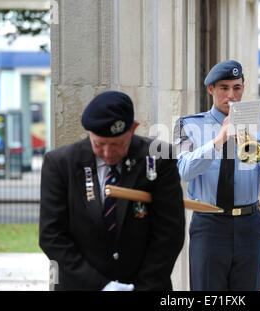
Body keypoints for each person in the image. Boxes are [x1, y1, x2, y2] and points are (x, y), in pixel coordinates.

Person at [39, 91, 185, 291]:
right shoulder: (60, 164)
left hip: (145, 285)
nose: (108, 153)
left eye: (117, 144)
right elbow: (51, 236)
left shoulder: (158, 159)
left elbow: (169, 233)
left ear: (132, 129)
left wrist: (141, 288)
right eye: (99, 144)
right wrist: (101, 286)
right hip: (81, 285)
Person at [174, 60, 260, 291]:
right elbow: (184, 170)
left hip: (249, 224)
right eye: (224, 88)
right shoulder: (188, 125)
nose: (231, 95)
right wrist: (220, 139)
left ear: (243, 88)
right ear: (211, 90)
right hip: (209, 224)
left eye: (236, 88)